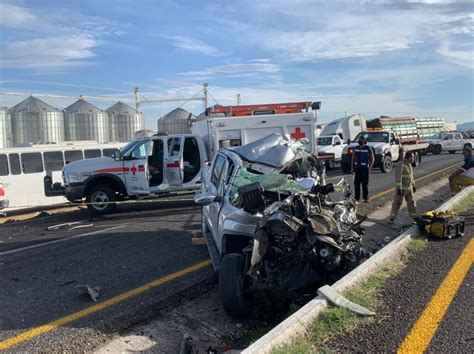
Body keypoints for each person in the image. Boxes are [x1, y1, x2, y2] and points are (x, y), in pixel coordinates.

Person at [389, 151, 417, 223]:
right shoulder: (400, 165)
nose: (413, 159)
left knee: (412, 203)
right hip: (402, 189)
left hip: (409, 188)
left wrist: (413, 185)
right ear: (408, 157)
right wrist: (399, 188)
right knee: (397, 203)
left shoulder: (409, 165)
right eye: (412, 157)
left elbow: (411, 177)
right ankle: (391, 219)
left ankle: (414, 218)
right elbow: (398, 177)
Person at [351, 136, 374, 202]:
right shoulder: (355, 148)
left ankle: (366, 198)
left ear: (364, 141)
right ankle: (356, 198)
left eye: (361, 140)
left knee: (365, 184)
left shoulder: (368, 148)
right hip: (357, 169)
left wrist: (370, 168)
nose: (359, 142)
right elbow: (353, 159)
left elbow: (372, 159)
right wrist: (352, 168)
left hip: (364, 169)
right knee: (356, 184)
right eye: (359, 140)